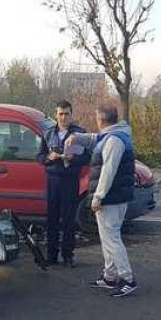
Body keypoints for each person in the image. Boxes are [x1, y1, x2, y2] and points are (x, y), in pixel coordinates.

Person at [65, 104, 137, 297]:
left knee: (112, 238)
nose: (95, 121)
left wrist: (98, 196)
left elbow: (108, 171)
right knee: (107, 237)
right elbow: (95, 138)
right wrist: (78, 137)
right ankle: (110, 276)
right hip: (116, 196)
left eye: (96, 117)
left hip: (111, 197)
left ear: (101, 120)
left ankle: (127, 278)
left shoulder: (113, 140)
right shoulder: (115, 135)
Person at [37, 100, 89, 267]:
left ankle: (68, 256)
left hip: (70, 180)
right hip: (52, 180)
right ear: (56, 115)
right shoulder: (48, 133)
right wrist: (48, 158)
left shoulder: (80, 134)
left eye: (66, 114)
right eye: (60, 114)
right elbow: (39, 157)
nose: (63, 117)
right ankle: (51, 255)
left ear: (71, 115)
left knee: (68, 220)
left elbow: (88, 157)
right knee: (51, 220)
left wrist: (74, 158)